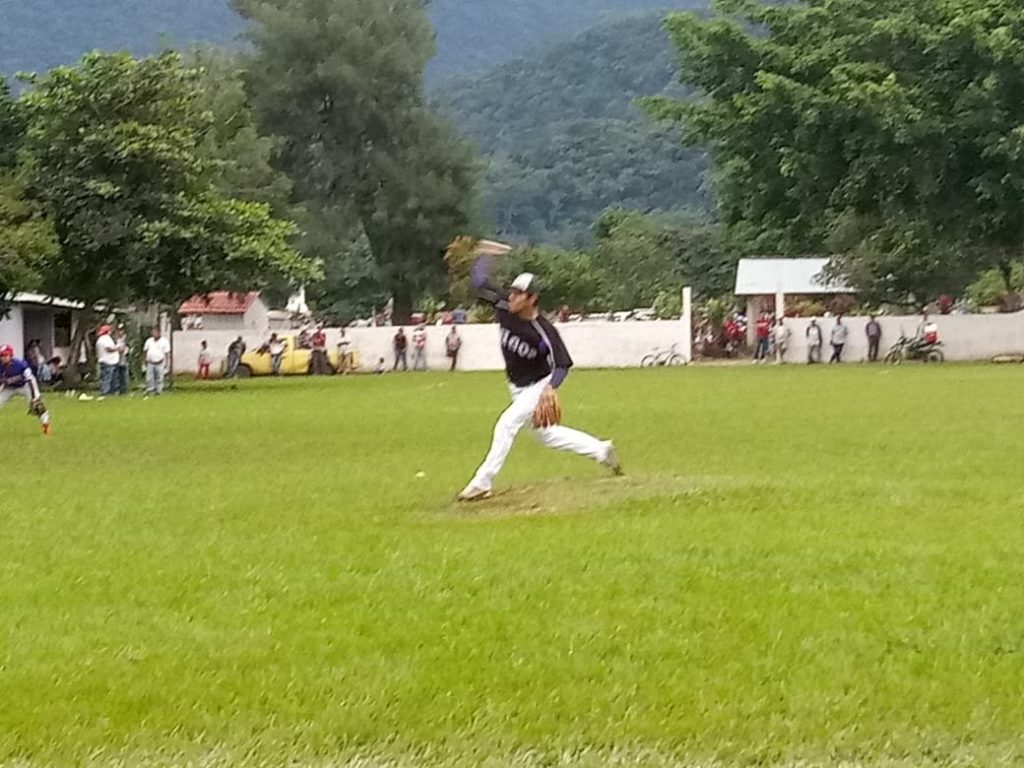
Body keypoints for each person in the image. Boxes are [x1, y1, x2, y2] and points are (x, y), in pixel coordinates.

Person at [457, 258, 621, 502]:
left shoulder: (543, 330)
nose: (512, 297)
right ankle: (601, 450)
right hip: (516, 386)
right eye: (512, 292)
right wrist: (483, 259)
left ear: (532, 298)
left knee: (506, 424)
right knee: (547, 435)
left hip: (538, 385)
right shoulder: (504, 306)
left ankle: (483, 482)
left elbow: (563, 364)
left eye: (518, 294)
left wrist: (549, 389)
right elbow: (480, 285)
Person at [0, 345, 51, 435]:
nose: (3, 357)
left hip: (25, 386)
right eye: (1, 355)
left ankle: (46, 424)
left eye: (5, 355)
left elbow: (30, 379)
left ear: (11, 355)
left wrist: (35, 396)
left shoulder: (20, 365)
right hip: (8, 388)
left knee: (38, 405)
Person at [143, 326, 171, 395]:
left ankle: (159, 390)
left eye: (155, 332)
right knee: (150, 378)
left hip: (160, 362)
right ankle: (151, 390)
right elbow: (145, 351)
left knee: (160, 377)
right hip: (150, 362)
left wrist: (167, 363)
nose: (154, 334)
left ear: (159, 333)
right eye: (153, 332)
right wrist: (145, 360)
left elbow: (167, 353)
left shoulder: (164, 341)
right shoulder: (149, 341)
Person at [95, 324, 120, 396]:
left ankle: (109, 391)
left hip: (106, 360)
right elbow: (108, 349)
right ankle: (105, 391)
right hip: (108, 361)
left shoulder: (100, 339)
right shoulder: (105, 339)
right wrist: (117, 348)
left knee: (109, 377)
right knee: (108, 377)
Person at [114, 325, 130, 394]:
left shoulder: (126, 339)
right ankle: (117, 388)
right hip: (115, 359)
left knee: (123, 375)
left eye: (121, 330)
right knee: (116, 375)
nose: (120, 332)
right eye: (119, 330)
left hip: (123, 359)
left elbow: (128, 347)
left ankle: (123, 389)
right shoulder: (114, 339)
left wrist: (124, 351)